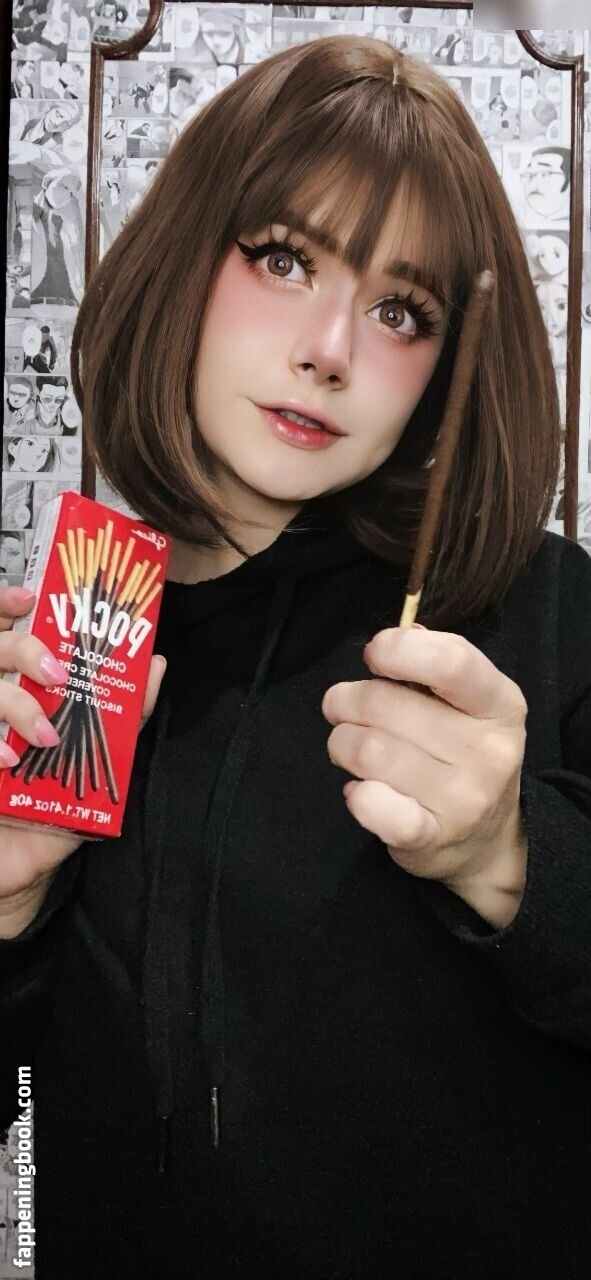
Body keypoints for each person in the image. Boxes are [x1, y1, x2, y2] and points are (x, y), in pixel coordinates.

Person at [0, 35, 590, 1280]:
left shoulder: (543, 616)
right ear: (184, 255)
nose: (330, 348)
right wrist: (6, 908)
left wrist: (514, 861)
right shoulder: (78, 644)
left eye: (400, 310)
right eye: (284, 258)